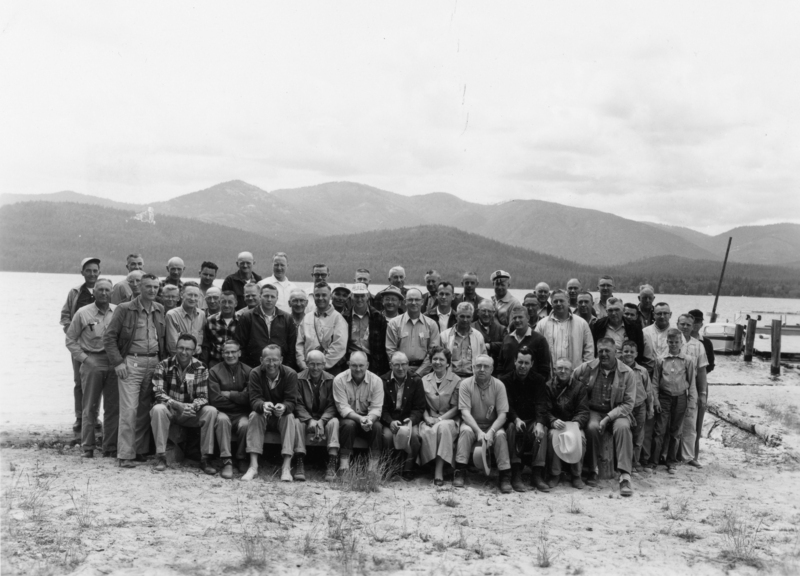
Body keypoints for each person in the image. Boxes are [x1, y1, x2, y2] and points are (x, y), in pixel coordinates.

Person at [103, 272, 166, 468]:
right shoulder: (124, 308)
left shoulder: (159, 309)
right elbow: (109, 337)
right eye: (148, 286)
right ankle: (125, 454)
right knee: (129, 409)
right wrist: (118, 363)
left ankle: (139, 450)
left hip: (154, 363)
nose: (152, 290)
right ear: (139, 288)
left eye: (155, 287)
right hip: (132, 362)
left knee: (144, 409)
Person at [572, 338, 636, 497]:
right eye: (600, 351)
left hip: (618, 411)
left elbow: (628, 404)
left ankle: (625, 476)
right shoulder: (588, 367)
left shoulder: (627, 373)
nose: (604, 354)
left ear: (616, 352)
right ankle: (592, 469)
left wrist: (608, 417)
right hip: (593, 410)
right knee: (592, 427)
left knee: (622, 428)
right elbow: (571, 380)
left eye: (608, 351)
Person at [149, 334, 218, 474]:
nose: (184, 352)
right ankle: (161, 456)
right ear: (176, 348)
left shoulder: (200, 368)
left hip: (191, 412)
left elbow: (203, 396)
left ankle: (205, 459)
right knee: (157, 409)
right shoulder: (163, 365)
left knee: (210, 411)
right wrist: (177, 405)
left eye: (188, 349)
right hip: (171, 411)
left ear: (194, 351)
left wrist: (191, 407)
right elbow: (158, 392)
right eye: (181, 348)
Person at [65, 277, 118, 458]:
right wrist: (85, 359)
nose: (104, 293)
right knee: (89, 406)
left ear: (112, 292)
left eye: (107, 290)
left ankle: (110, 447)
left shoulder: (118, 311)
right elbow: (70, 340)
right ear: (94, 292)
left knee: (113, 407)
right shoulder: (82, 313)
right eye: (100, 289)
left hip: (113, 362)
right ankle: (87, 447)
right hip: (91, 361)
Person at [454, 355, 512, 492]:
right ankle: (460, 471)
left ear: (492, 369)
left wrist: (491, 432)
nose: (481, 369)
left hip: (493, 425)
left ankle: (505, 476)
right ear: (473, 368)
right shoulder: (465, 384)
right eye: (478, 366)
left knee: (500, 435)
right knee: (465, 431)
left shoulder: (499, 385)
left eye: (486, 366)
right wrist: (478, 432)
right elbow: (465, 413)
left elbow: (503, 415)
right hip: (471, 424)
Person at [242, 345, 299, 482]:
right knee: (255, 415)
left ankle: (286, 467)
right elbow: (254, 400)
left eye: (275, 360)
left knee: (290, 417)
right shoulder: (255, 373)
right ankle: (253, 466)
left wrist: (284, 407)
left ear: (281, 360)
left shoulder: (290, 374)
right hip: (264, 415)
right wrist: (263, 405)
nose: (271, 364)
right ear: (261, 360)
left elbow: (292, 401)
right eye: (268, 360)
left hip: (281, 417)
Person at [499, 347, 549, 492]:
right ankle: (515, 473)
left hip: (532, 420)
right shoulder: (505, 380)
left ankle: (537, 474)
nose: (523, 366)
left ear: (532, 364)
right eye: (520, 362)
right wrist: (516, 419)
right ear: (515, 361)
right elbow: (506, 405)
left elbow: (541, 404)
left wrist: (539, 423)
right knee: (511, 429)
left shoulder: (539, 380)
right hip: (513, 420)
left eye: (526, 363)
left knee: (543, 430)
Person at [61, 257, 101, 435]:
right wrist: (73, 335)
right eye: (88, 270)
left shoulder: (106, 289)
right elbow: (65, 316)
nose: (92, 274)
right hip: (79, 346)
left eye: (95, 270)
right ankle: (80, 417)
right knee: (79, 382)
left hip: (100, 347)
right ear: (82, 272)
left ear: (99, 272)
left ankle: (94, 417)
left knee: (98, 383)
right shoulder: (75, 292)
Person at [648, 329, 697, 474]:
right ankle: (654, 460)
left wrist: (691, 404)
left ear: (681, 342)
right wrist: (655, 400)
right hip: (664, 397)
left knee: (676, 431)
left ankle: (671, 461)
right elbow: (655, 382)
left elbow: (692, 383)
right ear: (667, 342)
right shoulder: (660, 360)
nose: (674, 344)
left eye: (676, 342)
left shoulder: (687, 360)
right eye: (671, 342)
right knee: (660, 430)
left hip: (680, 397)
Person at [332, 351, 384, 472]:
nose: (358, 369)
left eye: (361, 365)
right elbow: (343, 408)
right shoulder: (339, 379)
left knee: (377, 427)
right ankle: (343, 467)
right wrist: (360, 419)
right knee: (348, 425)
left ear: (367, 365)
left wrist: (369, 420)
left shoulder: (376, 381)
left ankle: (373, 470)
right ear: (349, 364)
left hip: (368, 419)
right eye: (354, 365)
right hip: (349, 418)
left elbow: (376, 408)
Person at [293, 350, 340, 482]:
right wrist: (309, 420)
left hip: (324, 419)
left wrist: (322, 420)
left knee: (334, 421)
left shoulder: (331, 379)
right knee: (297, 422)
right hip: (306, 418)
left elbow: (333, 404)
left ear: (324, 364)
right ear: (306, 363)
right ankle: (299, 461)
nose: (315, 368)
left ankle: (332, 461)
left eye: (319, 364)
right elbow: (297, 404)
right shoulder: (298, 379)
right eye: (312, 364)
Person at [208, 339, 252, 479]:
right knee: (221, 420)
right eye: (227, 352)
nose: (230, 355)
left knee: (246, 424)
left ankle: (241, 458)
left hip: (241, 414)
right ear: (222, 354)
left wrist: (229, 394)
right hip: (222, 412)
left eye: (233, 352)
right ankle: (226, 460)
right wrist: (240, 398)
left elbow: (249, 398)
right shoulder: (214, 371)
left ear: (239, 353)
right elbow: (215, 399)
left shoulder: (249, 371)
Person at [419, 346, 461, 486]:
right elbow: (420, 405)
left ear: (448, 363)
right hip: (429, 419)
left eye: (441, 359)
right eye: (434, 359)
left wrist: (440, 419)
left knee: (442, 428)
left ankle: (439, 471)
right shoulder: (424, 380)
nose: (437, 362)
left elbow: (456, 407)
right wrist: (426, 418)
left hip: (449, 419)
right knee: (428, 431)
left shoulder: (456, 380)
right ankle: (429, 466)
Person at [544, 359, 590, 489]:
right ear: (555, 370)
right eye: (560, 368)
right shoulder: (548, 386)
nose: (563, 371)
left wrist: (576, 424)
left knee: (580, 438)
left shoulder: (579, 387)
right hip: (556, 424)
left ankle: (576, 474)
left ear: (571, 371)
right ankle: (555, 474)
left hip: (573, 423)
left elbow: (583, 410)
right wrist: (552, 420)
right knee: (553, 436)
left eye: (566, 369)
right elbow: (544, 410)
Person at [380, 352, 426, 479]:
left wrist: (411, 420)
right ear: (391, 365)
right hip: (389, 419)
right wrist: (390, 421)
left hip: (409, 419)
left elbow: (419, 407)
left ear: (408, 365)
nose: (401, 368)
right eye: (397, 365)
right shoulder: (383, 381)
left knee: (415, 437)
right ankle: (391, 466)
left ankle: (408, 468)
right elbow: (380, 408)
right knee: (387, 437)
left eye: (404, 364)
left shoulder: (416, 380)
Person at [235, 283, 297, 370]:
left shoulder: (287, 318)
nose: (269, 299)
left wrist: (285, 368)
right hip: (253, 368)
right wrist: (247, 368)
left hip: (280, 368)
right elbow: (241, 345)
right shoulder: (247, 317)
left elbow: (291, 347)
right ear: (260, 297)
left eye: (272, 297)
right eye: (266, 296)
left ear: (277, 299)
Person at [676, 313, 709, 468]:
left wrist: (702, 394)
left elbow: (702, 371)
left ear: (693, 326)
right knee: (673, 423)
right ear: (677, 324)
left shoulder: (698, 345)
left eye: (688, 325)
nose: (685, 327)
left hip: (692, 386)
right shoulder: (672, 341)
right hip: (674, 386)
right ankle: (671, 455)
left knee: (690, 422)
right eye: (682, 324)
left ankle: (688, 457)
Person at [536, 290, 594, 376]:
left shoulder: (581, 323)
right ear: (551, 304)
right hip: (550, 376)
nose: (558, 303)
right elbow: (536, 348)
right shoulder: (542, 324)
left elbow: (589, 351)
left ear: (568, 302)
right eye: (555, 301)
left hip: (575, 376)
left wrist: (584, 372)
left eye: (561, 300)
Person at [296, 282, 349, 375]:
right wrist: (303, 364)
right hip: (307, 369)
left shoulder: (338, 319)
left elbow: (339, 346)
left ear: (330, 297)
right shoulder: (307, 317)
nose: (320, 298)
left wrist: (320, 366)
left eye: (324, 295)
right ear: (313, 297)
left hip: (329, 370)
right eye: (317, 295)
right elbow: (299, 343)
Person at [385, 288, 440, 376]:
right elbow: (391, 350)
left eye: (417, 300)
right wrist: (403, 369)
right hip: (400, 371)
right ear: (405, 302)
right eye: (410, 300)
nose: (414, 303)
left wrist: (419, 373)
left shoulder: (431, 324)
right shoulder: (394, 323)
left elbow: (433, 352)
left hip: (425, 373)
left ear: (422, 301)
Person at [620, 340, 654, 472]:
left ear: (637, 354)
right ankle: (624, 462)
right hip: (624, 407)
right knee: (625, 434)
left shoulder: (642, 371)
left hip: (640, 406)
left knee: (638, 435)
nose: (628, 354)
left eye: (631, 352)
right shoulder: (619, 369)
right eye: (626, 351)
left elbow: (649, 391)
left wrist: (650, 407)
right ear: (621, 352)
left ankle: (635, 461)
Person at [344, 283, 389, 376]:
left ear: (368, 296)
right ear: (352, 297)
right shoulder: (345, 317)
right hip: (350, 360)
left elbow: (384, 343)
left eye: (362, 296)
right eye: (356, 296)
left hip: (373, 361)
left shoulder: (378, 317)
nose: (359, 299)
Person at [688, 309, 715, 466]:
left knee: (698, 420)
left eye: (698, 322)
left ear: (701, 323)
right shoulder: (680, 339)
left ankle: (695, 455)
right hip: (681, 383)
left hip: (700, 382)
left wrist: (698, 372)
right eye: (693, 322)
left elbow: (710, 365)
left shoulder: (706, 342)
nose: (695, 325)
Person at [499, 305, 551, 380]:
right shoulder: (507, 338)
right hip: (508, 386)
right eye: (514, 318)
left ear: (528, 318)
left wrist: (538, 385)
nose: (517, 320)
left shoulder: (539, 340)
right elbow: (500, 365)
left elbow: (544, 368)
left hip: (531, 387)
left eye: (520, 317)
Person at [437, 302, 487, 378]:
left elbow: (484, 358)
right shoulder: (444, 335)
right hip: (449, 377)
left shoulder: (478, 336)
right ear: (456, 316)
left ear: (472, 318)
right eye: (462, 316)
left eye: (468, 317)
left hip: (471, 378)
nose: (465, 320)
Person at [590, 297, 647, 364]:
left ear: (623, 310)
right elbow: (593, 348)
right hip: (603, 364)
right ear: (606, 311)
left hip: (627, 366)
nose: (614, 313)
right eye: (610, 310)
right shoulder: (598, 325)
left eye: (617, 310)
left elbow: (639, 351)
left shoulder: (634, 327)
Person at [165, 282, 206, 356]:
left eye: (196, 295)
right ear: (181, 295)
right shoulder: (172, 315)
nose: (193, 298)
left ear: (199, 297)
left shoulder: (202, 315)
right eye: (190, 295)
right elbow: (173, 347)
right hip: (179, 359)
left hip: (198, 359)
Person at [203, 290, 239, 368]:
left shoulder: (241, 320)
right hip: (215, 362)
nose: (226, 305)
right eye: (223, 302)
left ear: (236, 304)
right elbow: (206, 344)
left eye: (230, 302)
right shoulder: (211, 320)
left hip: (236, 362)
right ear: (219, 302)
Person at [642, 302, 673, 374]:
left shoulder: (677, 333)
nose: (662, 316)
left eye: (665, 313)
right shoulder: (644, 332)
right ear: (653, 315)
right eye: (659, 314)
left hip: (669, 374)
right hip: (648, 373)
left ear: (670, 315)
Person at [472, 300, 505, 365]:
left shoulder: (502, 329)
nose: (486, 314)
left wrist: (490, 346)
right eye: (483, 311)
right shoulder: (471, 328)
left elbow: (506, 346)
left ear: (494, 313)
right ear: (478, 312)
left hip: (496, 369)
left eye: (489, 311)